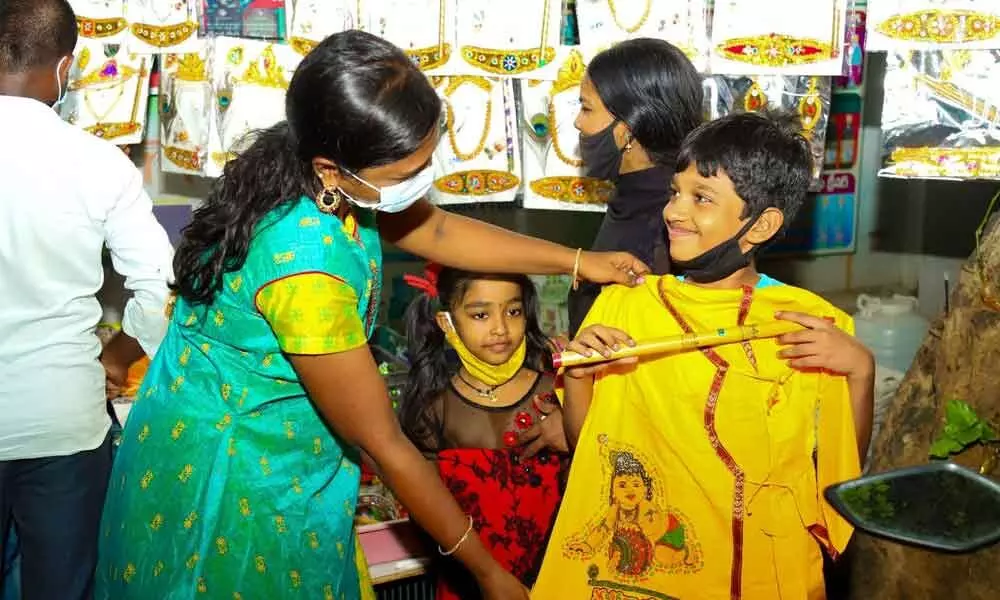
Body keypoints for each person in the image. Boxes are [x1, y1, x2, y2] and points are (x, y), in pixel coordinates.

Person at [96, 30, 647, 600]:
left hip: (271, 446)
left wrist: (579, 260)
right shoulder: (306, 271)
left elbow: (433, 228)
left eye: (427, 159)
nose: (422, 182)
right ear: (332, 168)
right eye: (407, 173)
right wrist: (487, 572)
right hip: (236, 479)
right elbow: (386, 444)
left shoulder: (322, 172)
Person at [531, 111, 876, 599]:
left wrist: (861, 372)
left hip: (757, 574)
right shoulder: (624, 304)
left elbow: (838, 472)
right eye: (676, 192)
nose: (674, 211)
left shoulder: (807, 324)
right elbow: (592, 453)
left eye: (702, 198)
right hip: (642, 573)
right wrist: (583, 378)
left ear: (760, 225)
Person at [0, 1, 174, 598]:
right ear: (67, 66)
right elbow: (159, 285)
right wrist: (120, 355)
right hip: (62, 427)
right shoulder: (100, 163)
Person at [398, 265, 568, 599]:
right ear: (448, 323)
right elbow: (429, 518)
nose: (501, 328)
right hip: (470, 585)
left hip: (560, 579)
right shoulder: (434, 411)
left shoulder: (560, 395)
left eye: (514, 311)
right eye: (480, 315)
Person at [567, 38, 704, 335]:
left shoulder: (665, 222)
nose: (578, 123)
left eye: (586, 108)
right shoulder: (636, 197)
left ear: (625, 131)